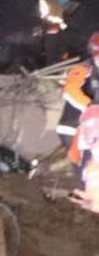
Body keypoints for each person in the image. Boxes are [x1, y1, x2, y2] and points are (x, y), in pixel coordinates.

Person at [56, 32, 99, 168]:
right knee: (87, 168)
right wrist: (91, 108)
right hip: (74, 128)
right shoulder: (83, 68)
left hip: (93, 127)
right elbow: (70, 89)